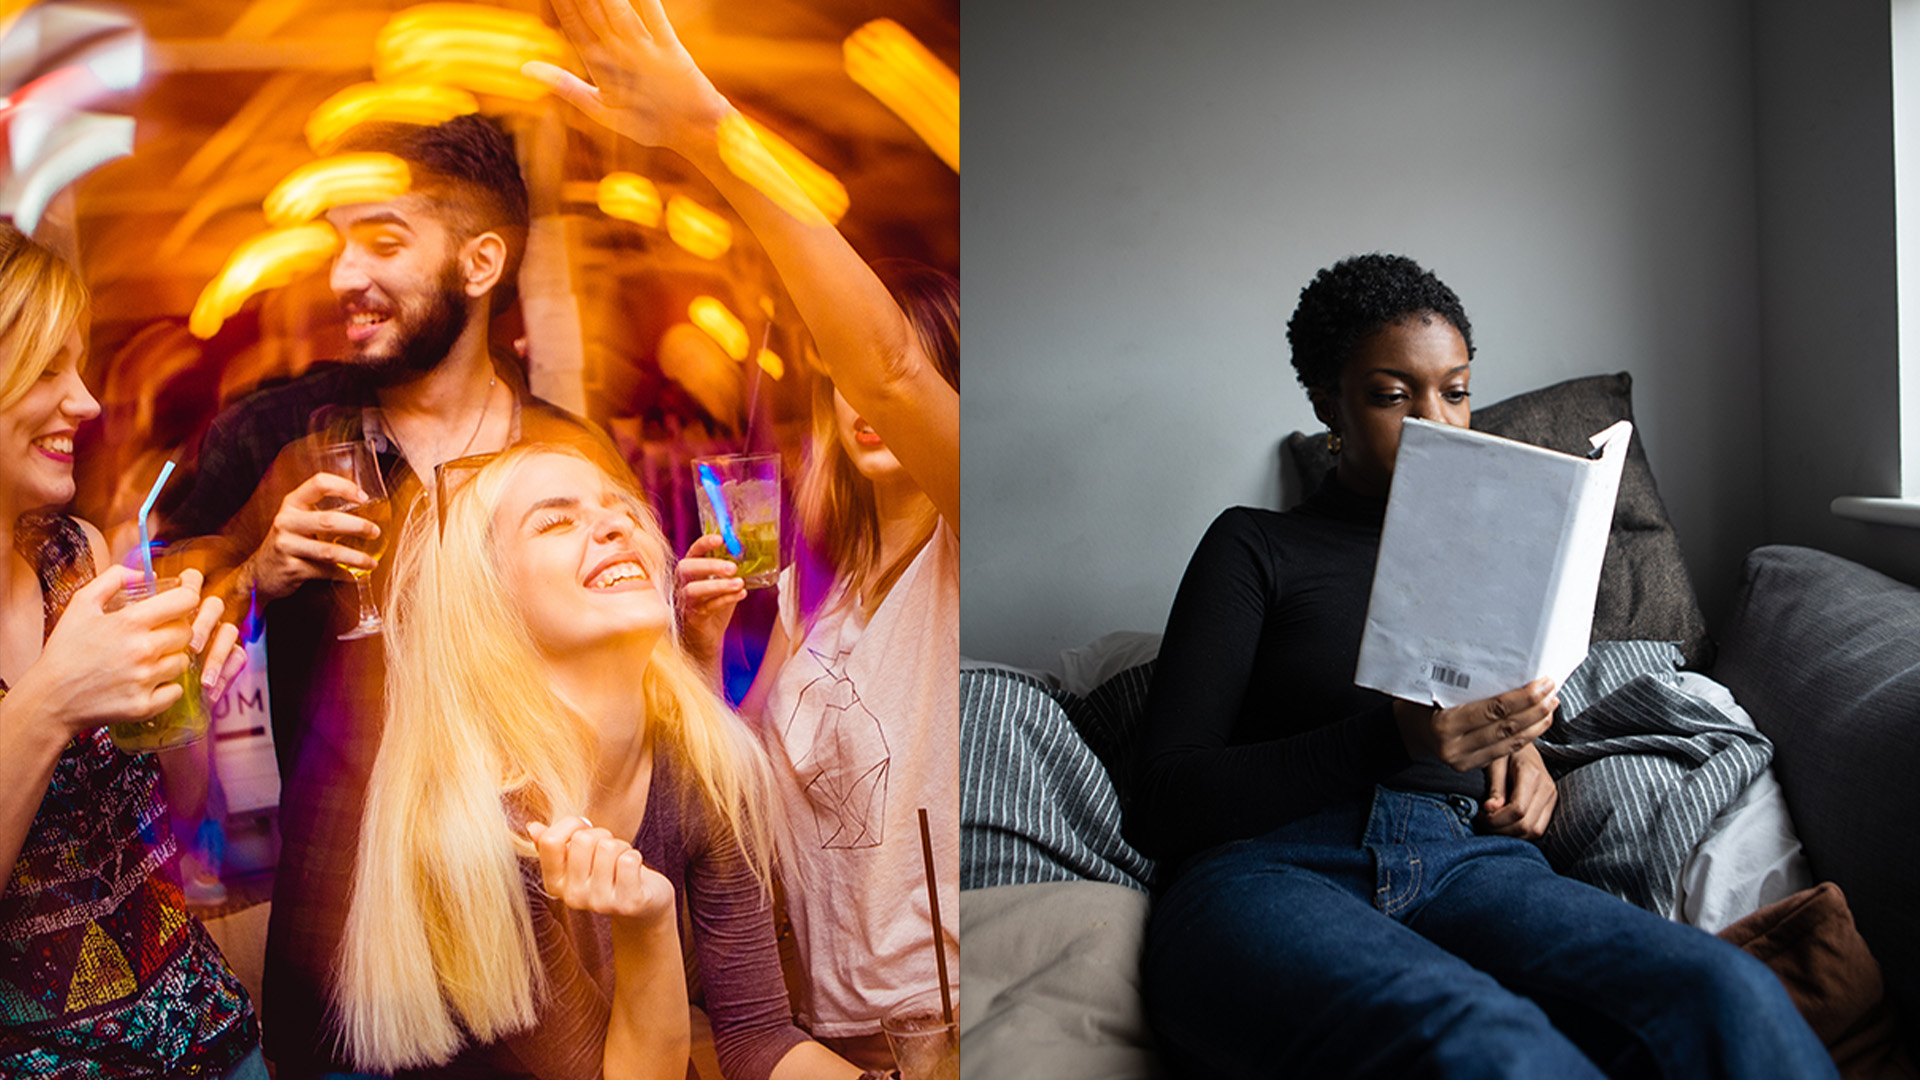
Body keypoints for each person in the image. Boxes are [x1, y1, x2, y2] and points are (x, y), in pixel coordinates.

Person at [1124, 252, 1835, 1079]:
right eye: (1393, 395)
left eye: (1455, 391)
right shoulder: (1256, 546)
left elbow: (1483, 719)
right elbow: (1162, 803)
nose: (1436, 422)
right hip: (1272, 870)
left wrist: (1519, 750)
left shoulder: (1494, 560)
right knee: (1485, 1043)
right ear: (1330, 405)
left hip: (1468, 862)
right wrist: (1394, 738)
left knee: (1727, 992)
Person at [523, 1, 959, 1063]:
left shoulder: (962, 545)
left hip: (937, 1033)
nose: (859, 395)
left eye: (884, 372)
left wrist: (711, 132)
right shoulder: (829, 598)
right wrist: (704, 652)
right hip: (821, 1028)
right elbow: (756, 802)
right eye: (836, 378)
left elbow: (888, 369)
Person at [161, 115, 625, 1077]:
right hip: (340, 966)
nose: (341, 276)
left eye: (382, 241)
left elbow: (636, 690)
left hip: (533, 953)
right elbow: (159, 592)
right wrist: (258, 573)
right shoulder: (280, 435)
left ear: (481, 260)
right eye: (337, 243)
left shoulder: (567, 458)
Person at [334, 444, 866, 1080]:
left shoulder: (707, 763)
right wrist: (646, 925)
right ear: (488, 600)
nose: (617, 525)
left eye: (622, 510)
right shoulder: (476, 828)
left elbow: (759, 1040)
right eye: (557, 522)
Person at [0, 223, 261, 1077]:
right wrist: (49, 703)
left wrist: (184, 707)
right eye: (47, 368)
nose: (83, 402)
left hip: (213, 1036)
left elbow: (174, 828)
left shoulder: (71, 556)